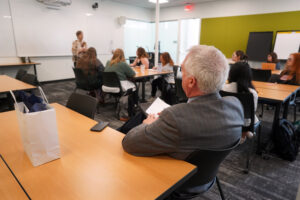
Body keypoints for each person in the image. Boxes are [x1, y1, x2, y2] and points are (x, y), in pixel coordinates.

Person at [122, 45, 244, 162]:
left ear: (191, 82)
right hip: (207, 177)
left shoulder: (174, 117)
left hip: (176, 178)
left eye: (183, 71)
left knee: (138, 120)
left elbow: (129, 143)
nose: (181, 74)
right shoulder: (236, 106)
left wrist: (147, 124)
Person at [223, 62, 258, 142]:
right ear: (249, 76)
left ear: (230, 73)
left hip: (226, 120)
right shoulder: (252, 93)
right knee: (252, 115)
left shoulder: (223, 88)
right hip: (245, 123)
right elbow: (252, 111)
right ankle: (244, 134)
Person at [104, 49, 137, 121]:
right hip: (118, 86)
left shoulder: (108, 62)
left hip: (107, 86)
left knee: (129, 85)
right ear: (122, 55)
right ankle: (134, 105)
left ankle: (130, 104)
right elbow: (132, 74)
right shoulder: (123, 64)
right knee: (134, 86)